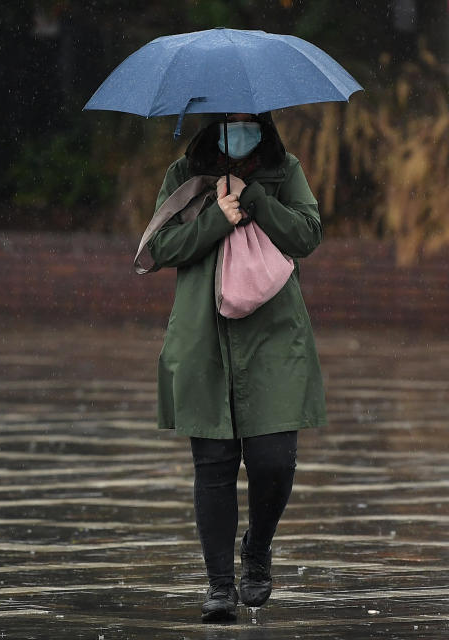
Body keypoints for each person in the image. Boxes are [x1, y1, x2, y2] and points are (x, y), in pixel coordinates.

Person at [144, 113, 326, 623]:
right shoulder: (184, 175)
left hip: (273, 338)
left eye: (249, 121)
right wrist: (213, 219)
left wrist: (258, 201)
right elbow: (159, 248)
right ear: (215, 123)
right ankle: (220, 585)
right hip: (204, 336)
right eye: (231, 121)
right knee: (215, 466)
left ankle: (258, 547)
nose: (240, 129)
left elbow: (307, 235)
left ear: (262, 124)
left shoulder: (283, 170)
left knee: (274, 461)